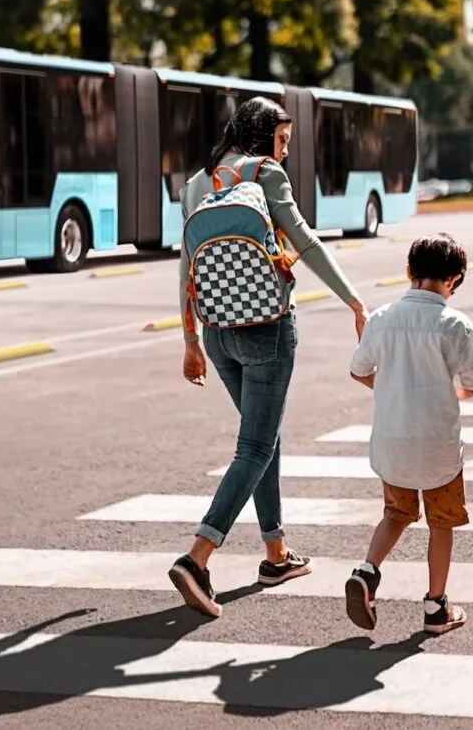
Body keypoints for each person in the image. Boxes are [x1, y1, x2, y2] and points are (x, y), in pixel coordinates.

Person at [169, 96, 369, 618]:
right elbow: (303, 240)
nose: (285, 150)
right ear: (261, 136)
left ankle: (276, 555)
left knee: (265, 437)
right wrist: (353, 299)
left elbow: (187, 266)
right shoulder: (266, 175)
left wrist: (190, 339)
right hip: (268, 329)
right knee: (255, 446)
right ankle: (197, 558)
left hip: (217, 333)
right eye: (281, 140)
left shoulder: (199, 181)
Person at [343, 233, 473, 635]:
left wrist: (390, 387)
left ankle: (368, 571)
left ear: (408, 272)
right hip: (437, 446)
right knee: (440, 522)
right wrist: (454, 392)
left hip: (393, 441)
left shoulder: (382, 319)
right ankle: (436, 605)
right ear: (455, 279)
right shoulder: (456, 325)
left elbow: (360, 370)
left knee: (395, 514)